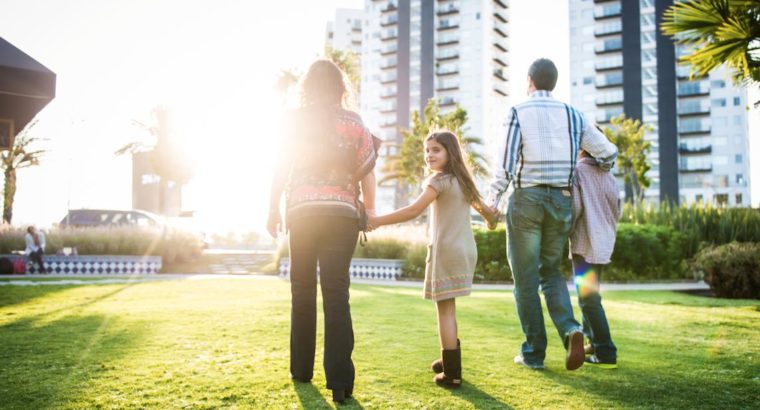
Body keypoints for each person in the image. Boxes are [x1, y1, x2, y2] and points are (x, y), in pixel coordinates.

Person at [486, 58, 618, 371]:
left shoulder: (518, 111)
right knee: (551, 273)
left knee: (525, 281)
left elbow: (505, 165)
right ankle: (571, 330)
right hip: (561, 200)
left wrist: (493, 200)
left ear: (529, 80)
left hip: (527, 200)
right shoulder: (574, 114)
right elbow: (608, 153)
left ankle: (534, 352)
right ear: (554, 82)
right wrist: (601, 168)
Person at [267, 59, 378, 404]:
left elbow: (280, 168)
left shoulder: (294, 121)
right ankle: (341, 383)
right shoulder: (355, 123)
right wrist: (370, 211)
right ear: (340, 87)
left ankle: (301, 370)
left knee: (302, 290)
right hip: (342, 215)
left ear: (307, 87)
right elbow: (367, 172)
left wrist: (272, 209)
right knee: (336, 294)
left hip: (302, 213)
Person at [369, 131, 498, 388]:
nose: (429, 155)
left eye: (436, 149)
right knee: (449, 307)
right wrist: (492, 219)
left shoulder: (438, 182)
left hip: (446, 251)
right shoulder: (464, 182)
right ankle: (448, 358)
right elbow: (489, 216)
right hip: (464, 250)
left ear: (450, 152)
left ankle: (452, 374)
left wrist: (377, 221)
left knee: (445, 310)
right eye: (427, 150)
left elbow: (414, 210)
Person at [570, 149, 620, 369]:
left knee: (588, 299)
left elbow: (576, 207)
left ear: (582, 149)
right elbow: (617, 209)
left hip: (585, 242)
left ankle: (606, 351)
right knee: (590, 296)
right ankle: (592, 343)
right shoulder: (608, 174)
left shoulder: (579, 171)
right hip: (603, 243)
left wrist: (566, 231)